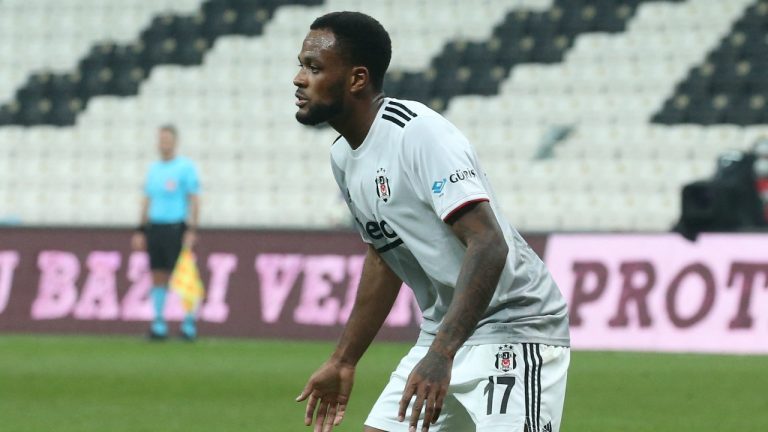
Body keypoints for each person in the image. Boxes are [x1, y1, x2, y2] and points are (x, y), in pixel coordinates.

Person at [293, 12, 570, 432]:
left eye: (313, 67)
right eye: (301, 66)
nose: (299, 79)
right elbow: (384, 257)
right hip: (444, 332)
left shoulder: (417, 134)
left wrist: (442, 354)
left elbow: (488, 242)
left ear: (357, 79)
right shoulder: (343, 157)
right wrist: (344, 359)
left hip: (514, 326)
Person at [131, 124, 201, 340]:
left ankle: (189, 324)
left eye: (168, 140)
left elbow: (194, 199)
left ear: (175, 142)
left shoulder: (185, 168)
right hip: (156, 228)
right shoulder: (154, 169)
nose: (164, 143)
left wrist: (192, 228)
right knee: (158, 275)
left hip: (175, 227)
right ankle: (159, 324)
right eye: (161, 140)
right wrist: (141, 229)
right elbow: (147, 200)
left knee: (183, 275)